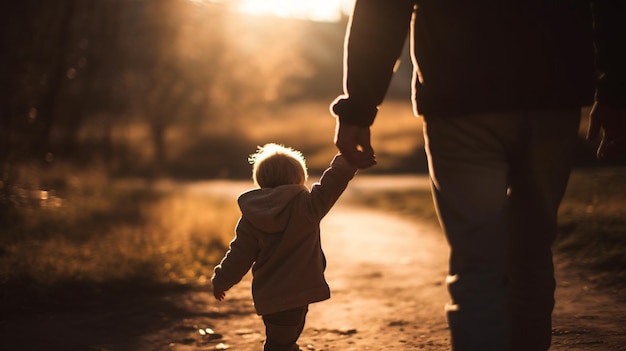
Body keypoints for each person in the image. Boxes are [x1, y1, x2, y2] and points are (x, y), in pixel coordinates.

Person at [330, 1, 625, 351]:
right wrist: (615, 93)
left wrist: (359, 108)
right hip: (551, 93)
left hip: (459, 97)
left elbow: (383, 9)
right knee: (532, 251)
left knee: (477, 261)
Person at [211, 143, 358, 351]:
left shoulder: (251, 217)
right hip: (299, 291)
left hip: (271, 295)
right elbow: (331, 185)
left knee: (285, 341)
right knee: (280, 344)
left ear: (260, 180)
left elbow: (239, 254)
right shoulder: (307, 206)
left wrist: (222, 279)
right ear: (299, 178)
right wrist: (347, 159)